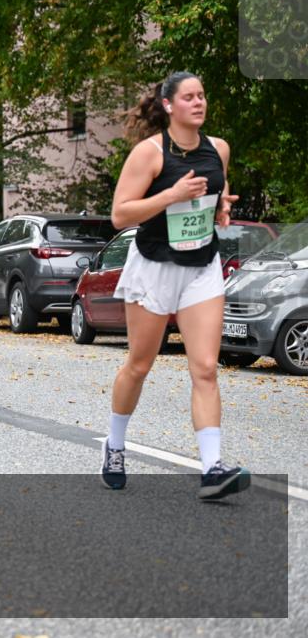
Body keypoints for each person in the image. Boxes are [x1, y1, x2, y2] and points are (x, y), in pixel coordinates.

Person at [102, 71, 247, 501]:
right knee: (140, 365)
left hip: (202, 266)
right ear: (169, 105)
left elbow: (218, 188)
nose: (199, 103)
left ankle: (212, 469)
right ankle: (114, 445)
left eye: (202, 95)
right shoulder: (149, 154)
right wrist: (172, 195)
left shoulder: (217, 149)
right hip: (155, 265)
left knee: (204, 368)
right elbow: (120, 215)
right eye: (189, 97)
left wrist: (220, 207)